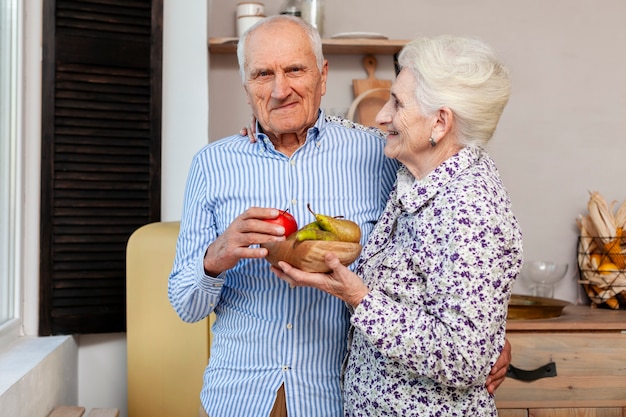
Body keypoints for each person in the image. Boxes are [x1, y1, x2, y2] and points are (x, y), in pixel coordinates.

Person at [168, 15, 510, 417]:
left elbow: (461, 249)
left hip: (336, 397)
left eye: (295, 69)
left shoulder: (380, 154)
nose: (281, 90)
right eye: (263, 74)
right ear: (246, 86)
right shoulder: (212, 165)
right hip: (240, 395)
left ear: (323, 75)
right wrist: (214, 258)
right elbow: (185, 305)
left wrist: (491, 335)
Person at [270, 34, 522, 416]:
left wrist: (357, 297)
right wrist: (273, 123)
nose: (381, 115)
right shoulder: (418, 172)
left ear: (440, 121)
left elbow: (463, 359)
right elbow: (361, 134)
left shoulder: (472, 210)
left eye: (397, 103)